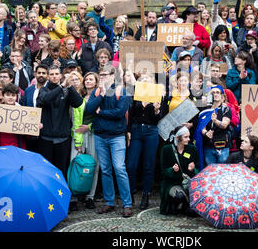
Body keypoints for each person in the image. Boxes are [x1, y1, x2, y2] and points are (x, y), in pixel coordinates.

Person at [85, 64, 133, 217]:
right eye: (102, 75)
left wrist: (102, 112)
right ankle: (109, 202)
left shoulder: (120, 90)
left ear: (113, 76)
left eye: (106, 75)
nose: (103, 77)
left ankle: (127, 204)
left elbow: (119, 113)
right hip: (100, 136)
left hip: (117, 136)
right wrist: (101, 95)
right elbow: (89, 109)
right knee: (105, 170)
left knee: (119, 169)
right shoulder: (98, 91)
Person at [36, 65, 83, 178]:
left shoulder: (66, 90)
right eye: (51, 74)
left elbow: (78, 103)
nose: (54, 76)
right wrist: (62, 86)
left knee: (61, 168)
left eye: (57, 74)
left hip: (63, 138)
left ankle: (61, 194)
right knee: (45, 169)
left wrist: (70, 86)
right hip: (45, 138)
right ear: (48, 76)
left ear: (60, 75)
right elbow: (45, 99)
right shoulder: (43, 90)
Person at [126, 73, 163, 210]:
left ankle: (146, 195)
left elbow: (158, 118)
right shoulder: (134, 96)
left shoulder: (157, 95)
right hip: (136, 131)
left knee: (148, 165)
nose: (146, 81)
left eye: (148, 79)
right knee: (131, 164)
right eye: (143, 80)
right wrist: (128, 131)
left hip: (151, 132)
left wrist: (157, 110)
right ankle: (131, 190)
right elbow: (130, 114)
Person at [70, 71, 100, 209]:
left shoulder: (100, 97)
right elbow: (72, 117)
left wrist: (88, 127)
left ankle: (90, 197)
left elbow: (102, 118)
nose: (88, 81)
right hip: (78, 135)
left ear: (96, 82)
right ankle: (74, 197)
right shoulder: (78, 97)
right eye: (86, 79)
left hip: (93, 133)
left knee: (93, 165)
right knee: (75, 163)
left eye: (91, 79)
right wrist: (78, 136)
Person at [160, 125, 199, 216]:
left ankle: (185, 206)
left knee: (192, 213)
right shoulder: (167, 150)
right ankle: (175, 204)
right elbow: (163, 171)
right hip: (172, 184)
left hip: (188, 183)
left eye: (189, 136)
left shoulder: (192, 149)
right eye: (185, 137)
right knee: (179, 196)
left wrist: (192, 169)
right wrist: (172, 170)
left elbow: (198, 171)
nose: (188, 139)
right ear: (177, 138)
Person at [0, 83, 27, 148]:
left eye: (13, 95)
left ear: (16, 97)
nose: (10, 98)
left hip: (17, 148)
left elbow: (28, 136)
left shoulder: (23, 112)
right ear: (3, 96)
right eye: (8, 95)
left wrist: (35, 127)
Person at [200, 85, 232, 166]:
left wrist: (215, 120)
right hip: (209, 146)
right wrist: (205, 133)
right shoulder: (206, 110)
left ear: (222, 96)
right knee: (210, 171)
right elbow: (201, 126)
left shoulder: (226, 109)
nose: (215, 94)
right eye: (213, 93)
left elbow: (224, 125)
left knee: (222, 171)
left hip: (222, 146)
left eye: (218, 92)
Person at [20, 64, 49, 152]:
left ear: (47, 75)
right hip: (30, 132)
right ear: (35, 74)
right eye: (39, 72)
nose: (41, 75)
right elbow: (24, 107)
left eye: (43, 73)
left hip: (46, 131)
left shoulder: (51, 90)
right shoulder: (28, 90)